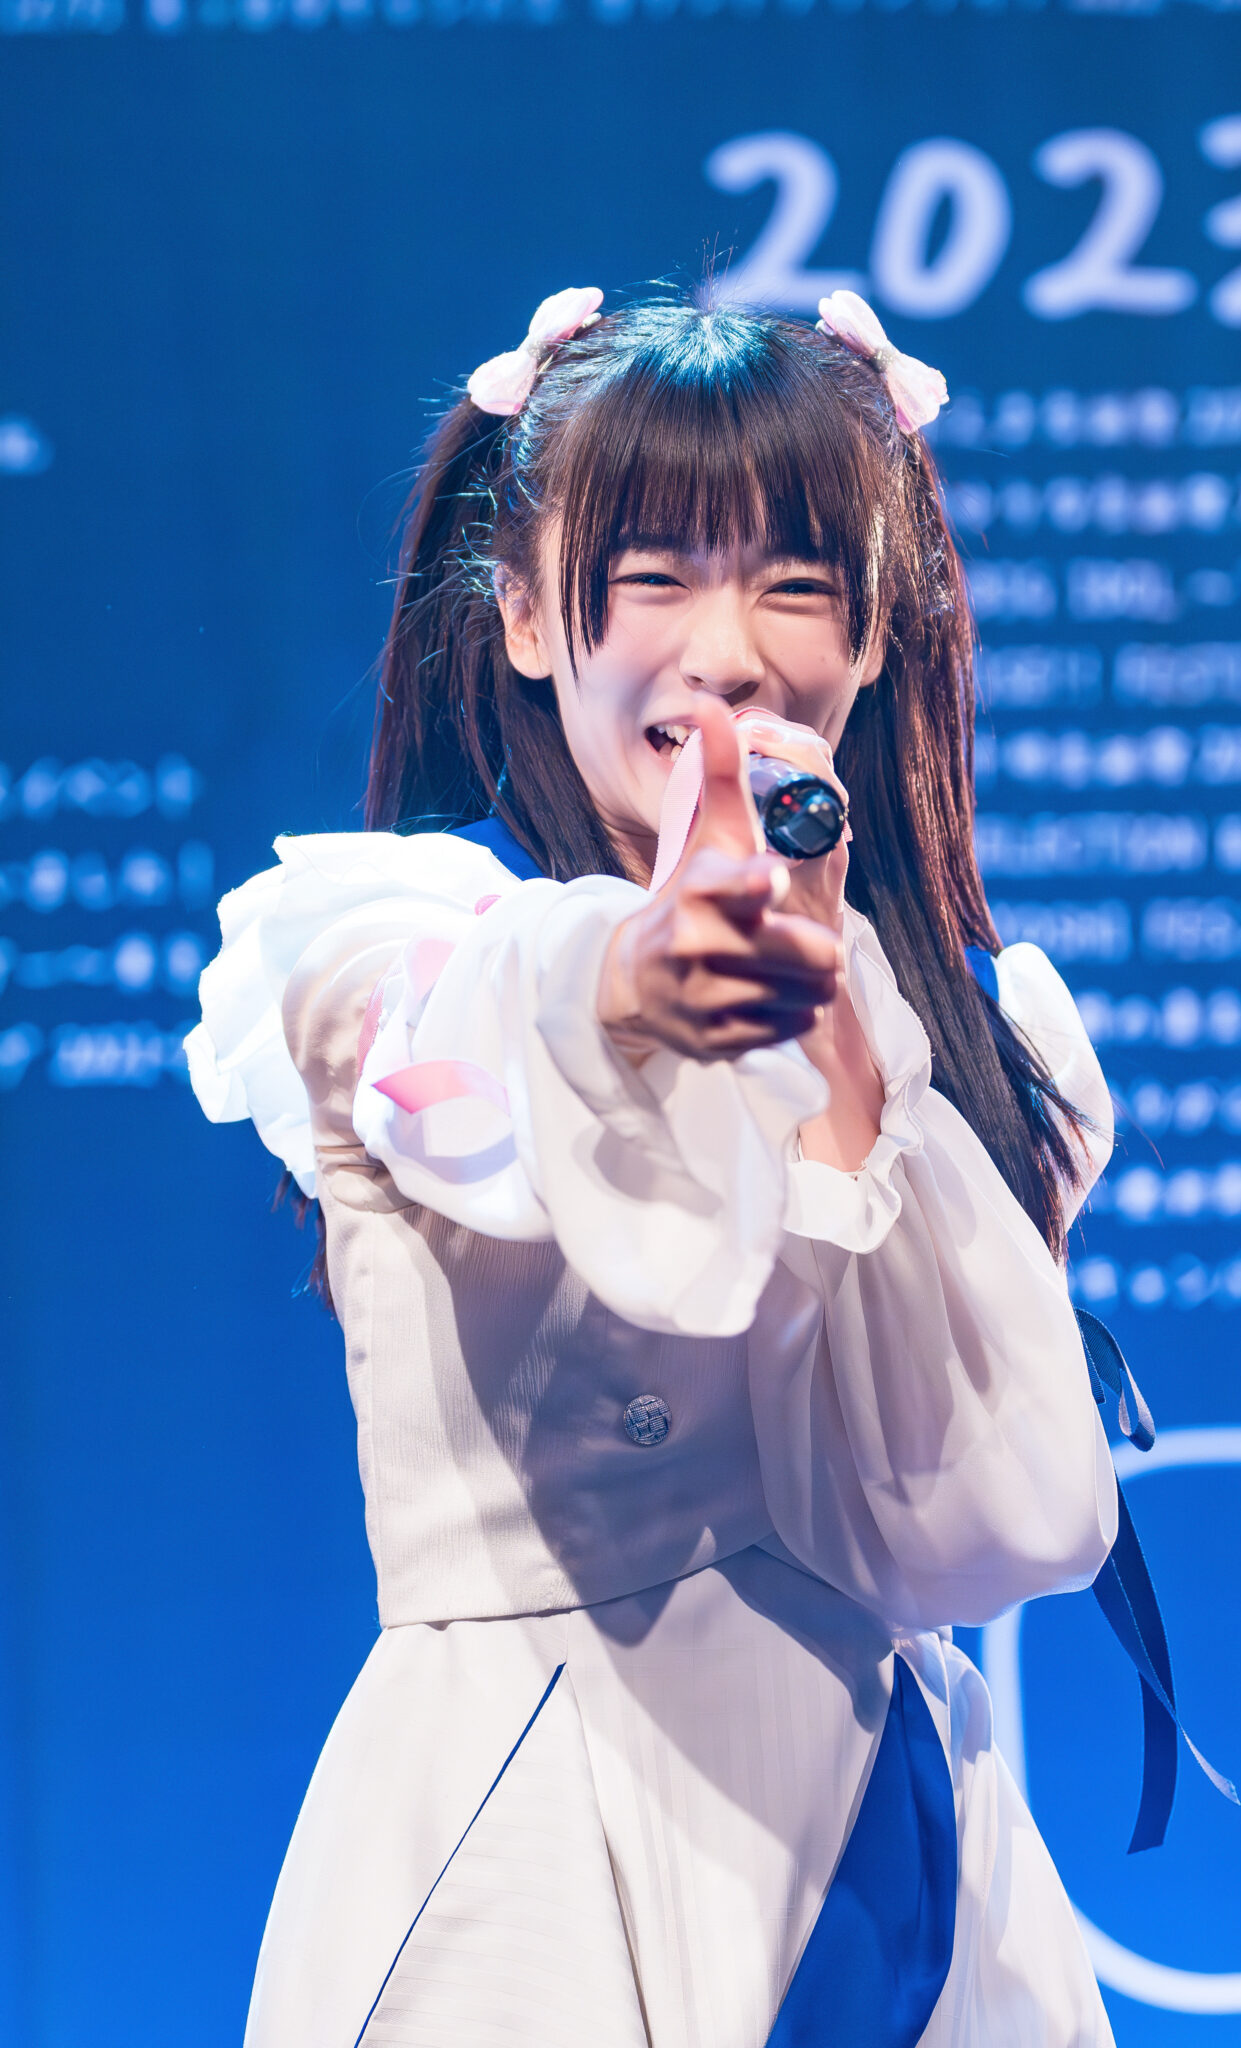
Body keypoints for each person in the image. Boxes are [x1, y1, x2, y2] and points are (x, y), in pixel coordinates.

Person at [187, 284, 1120, 2048]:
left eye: (794, 585)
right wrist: (635, 982)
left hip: (904, 1855)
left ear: (876, 630)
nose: (728, 653)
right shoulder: (392, 932)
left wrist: (836, 1032)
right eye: (655, 579)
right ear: (527, 612)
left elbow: (998, 1525)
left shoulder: (970, 1028)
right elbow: (475, 1030)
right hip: (537, 1837)